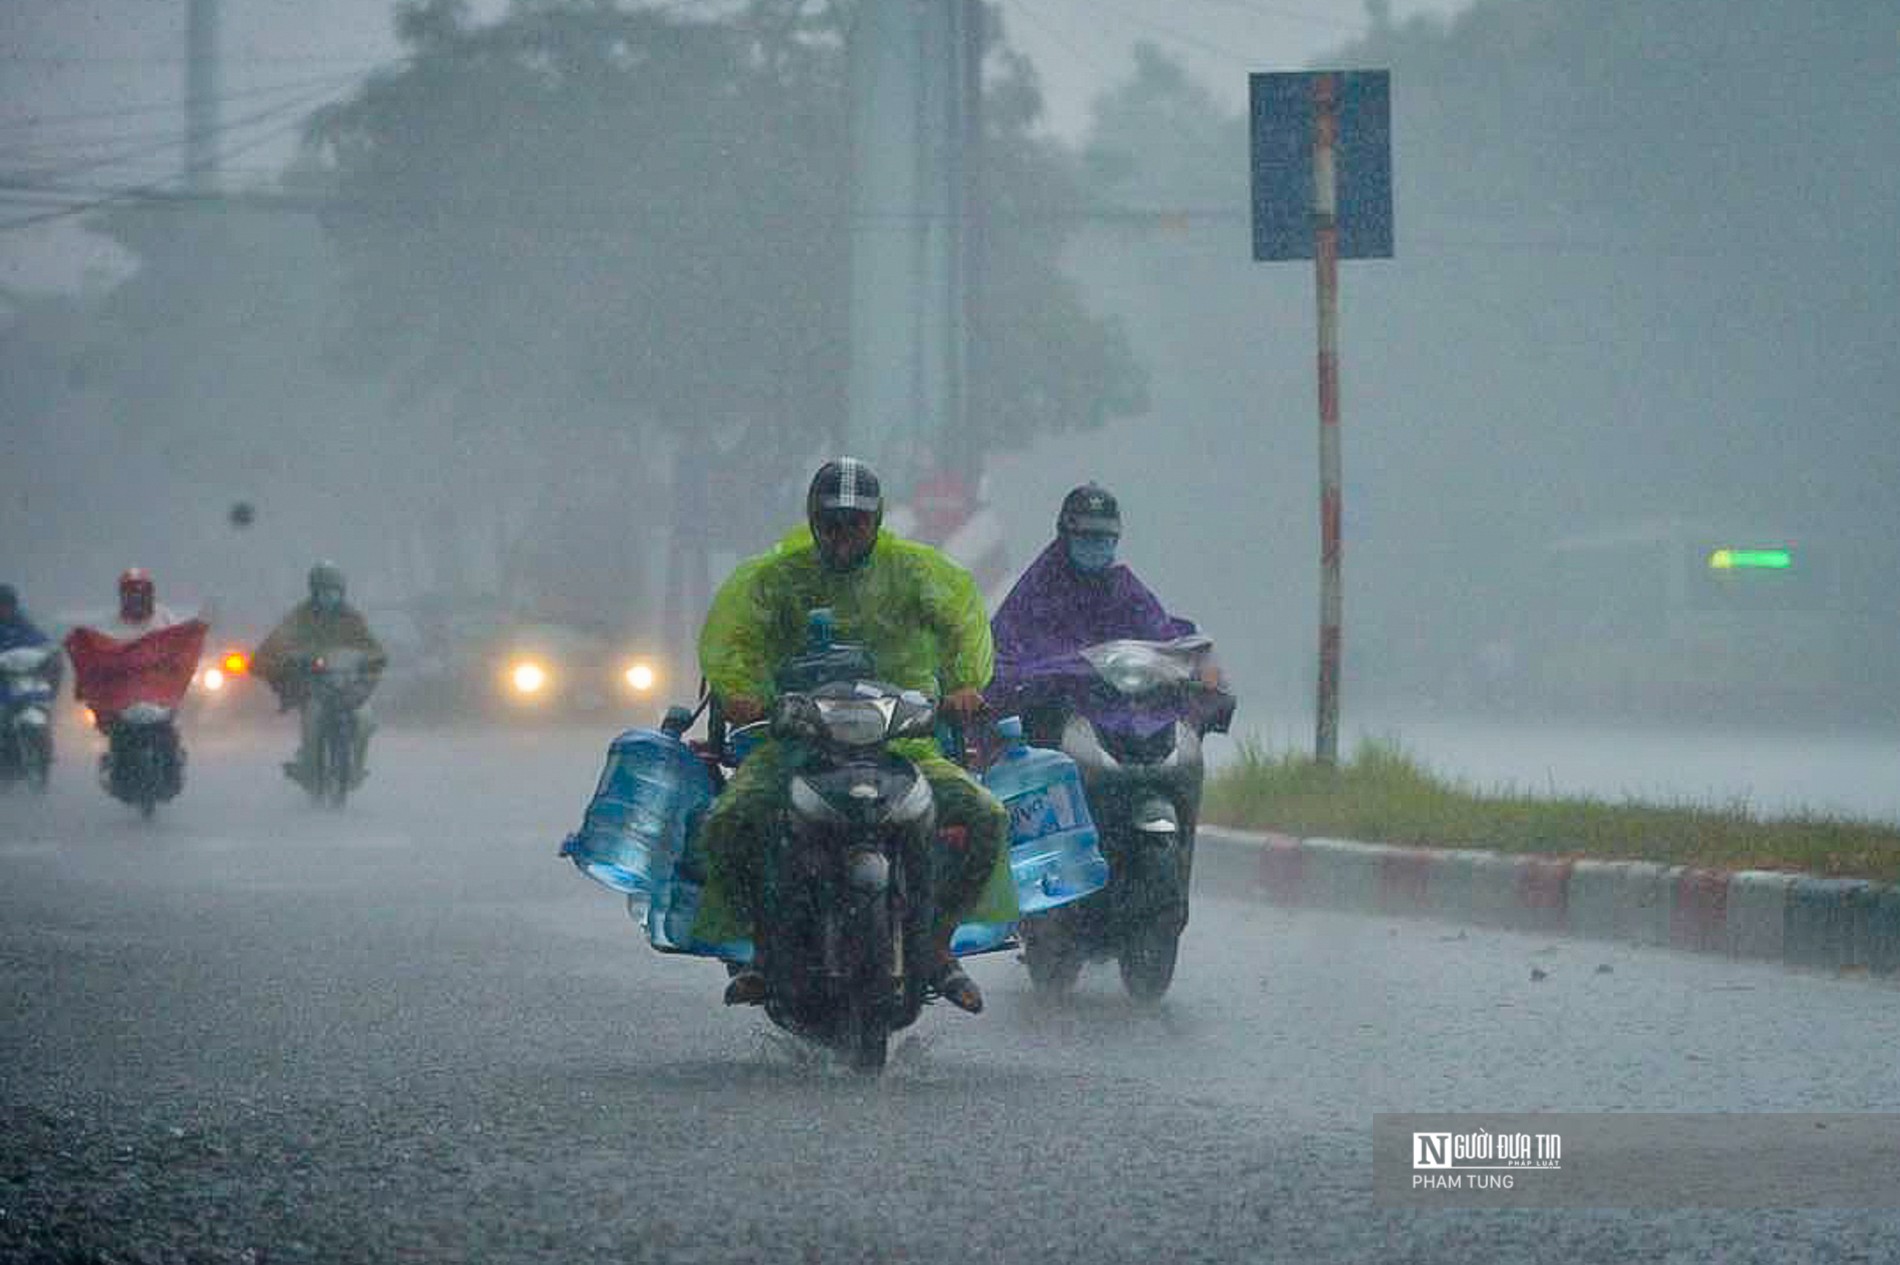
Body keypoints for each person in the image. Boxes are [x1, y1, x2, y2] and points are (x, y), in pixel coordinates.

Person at [696, 458, 1012, 1014]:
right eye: (832, 523)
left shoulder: (917, 573)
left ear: (878, 520)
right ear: (814, 522)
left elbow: (963, 623)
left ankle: (937, 943)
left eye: (856, 523)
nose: (844, 535)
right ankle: (762, 950)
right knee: (727, 822)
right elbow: (736, 638)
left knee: (986, 815)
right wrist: (741, 691)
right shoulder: (780, 579)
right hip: (794, 745)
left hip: (903, 743)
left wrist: (963, 685)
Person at [988, 483, 1220, 739]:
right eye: (1085, 538)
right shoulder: (1037, 590)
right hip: (1059, 718)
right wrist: (1067, 674)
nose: (1095, 546)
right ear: (1066, 536)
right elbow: (1006, 656)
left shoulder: (1125, 587)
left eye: (1103, 539)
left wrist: (1197, 663)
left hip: (1126, 708)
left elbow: (1163, 636)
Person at [252, 561, 387, 790]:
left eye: (334, 590)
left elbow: (371, 647)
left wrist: (372, 660)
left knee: (365, 720)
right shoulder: (299, 616)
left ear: (342, 592)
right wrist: (291, 660)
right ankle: (308, 767)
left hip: (347, 685)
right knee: (312, 718)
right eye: (324, 591)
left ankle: (356, 768)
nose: (329, 596)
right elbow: (273, 648)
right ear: (314, 591)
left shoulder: (352, 618)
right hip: (314, 686)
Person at [0, 583, 53, 653]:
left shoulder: (21, 623)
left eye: (8, 604)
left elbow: (41, 641)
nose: (4, 608)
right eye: (2, 604)